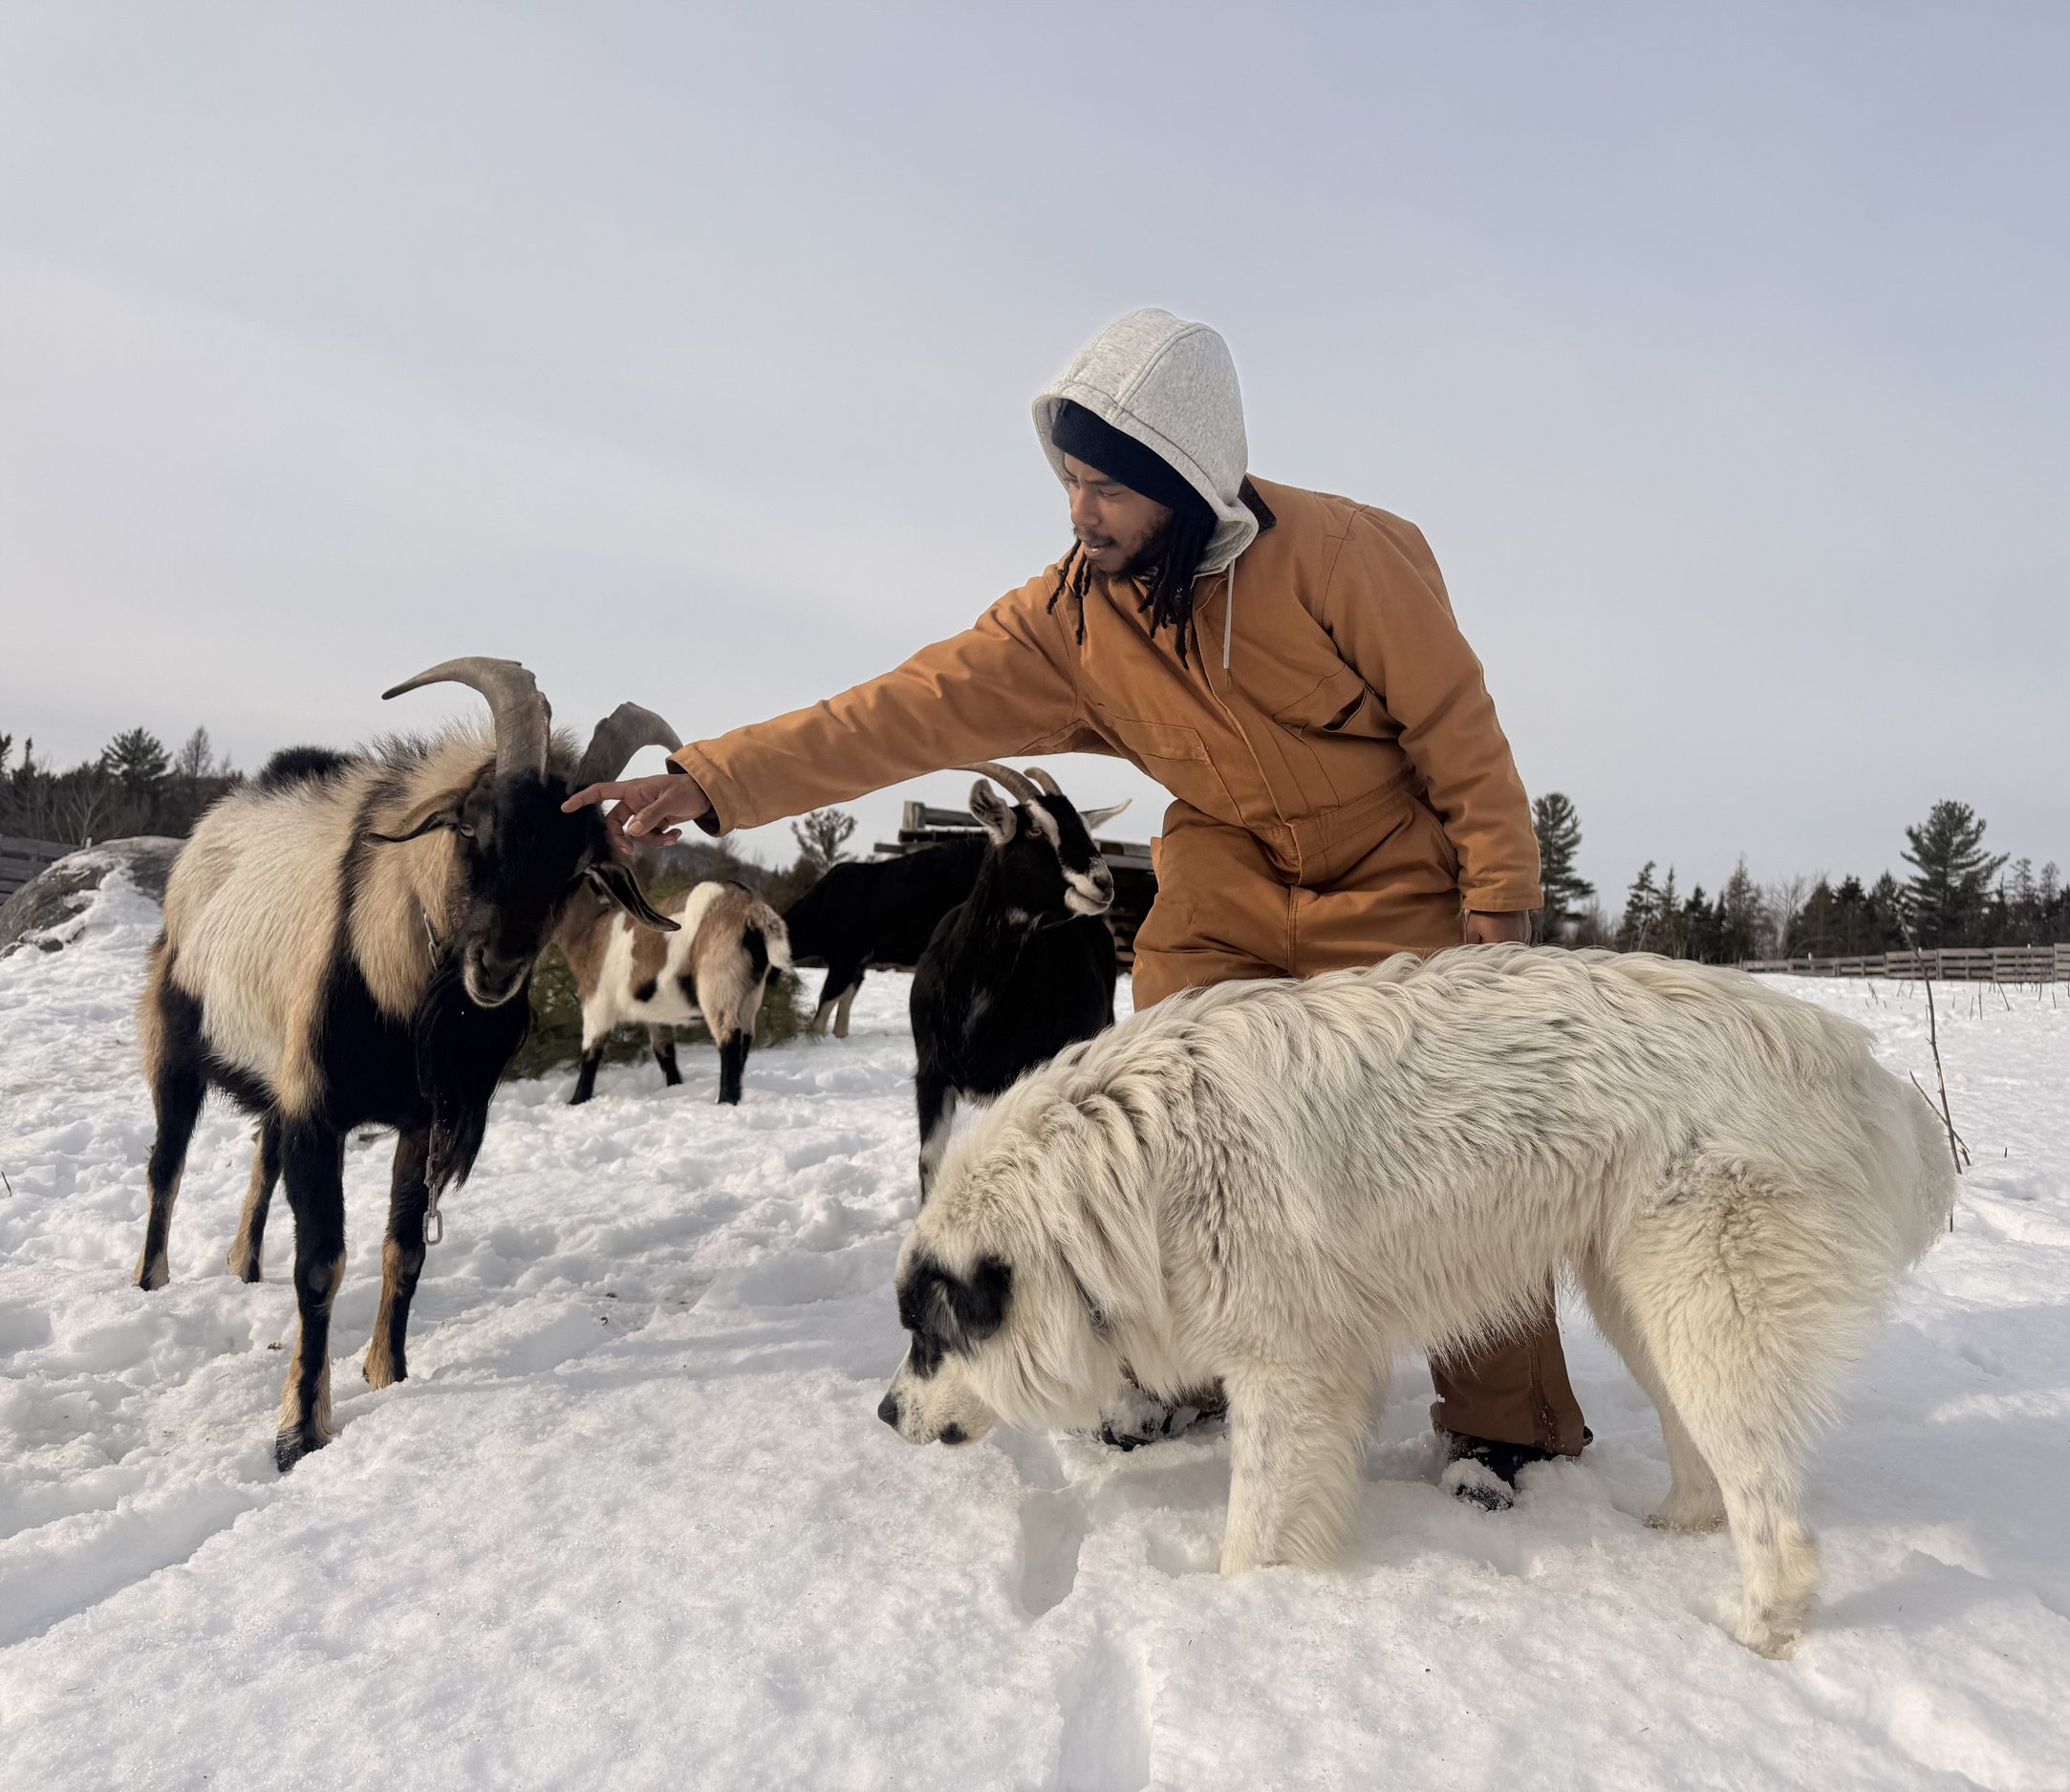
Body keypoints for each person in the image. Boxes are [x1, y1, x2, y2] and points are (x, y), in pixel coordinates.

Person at [571, 308, 1587, 1502]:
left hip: (1398, 875)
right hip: (1231, 877)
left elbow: (1458, 732)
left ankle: (1504, 1420)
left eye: (1106, 487)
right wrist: (715, 776)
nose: (1078, 511)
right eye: (1067, 481)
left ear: (1184, 481)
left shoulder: (1345, 555)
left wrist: (1501, 911)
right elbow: (900, 708)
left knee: (1459, 1133)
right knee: (1183, 1114)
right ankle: (1198, 1360)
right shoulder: (1070, 619)